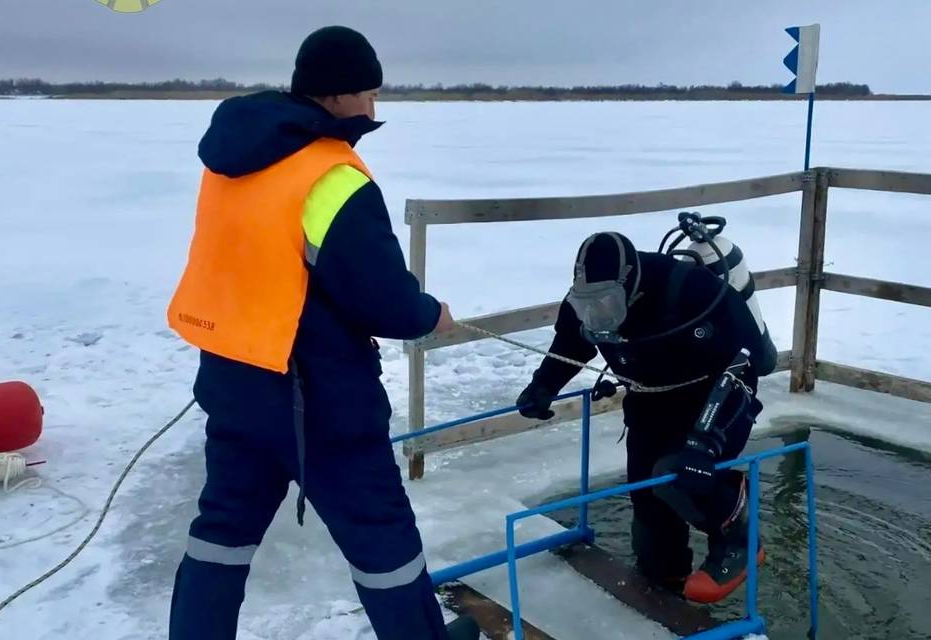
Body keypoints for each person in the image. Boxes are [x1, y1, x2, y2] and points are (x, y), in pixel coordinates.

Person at [166, 26, 477, 640]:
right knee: (384, 541)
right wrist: (429, 314)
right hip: (319, 397)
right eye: (366, 94)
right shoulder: (332, 177)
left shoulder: (233, 159)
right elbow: (382, 299)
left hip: (233, 381)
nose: (372, 110)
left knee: (221, 534)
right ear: (334, 97)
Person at [515, 230, 774, 604]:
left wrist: (708, 439)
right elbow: (570, 344)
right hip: (650, 401)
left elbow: (748, 363)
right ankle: (664, 583)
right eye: (588, 302)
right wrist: (542, 387)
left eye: (606, 302)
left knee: (675, 474)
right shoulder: (588, 302)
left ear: (630, 286)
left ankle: (738, 535)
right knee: (646, 497)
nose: (598, 313)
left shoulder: (692, 290)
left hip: (717, 399)